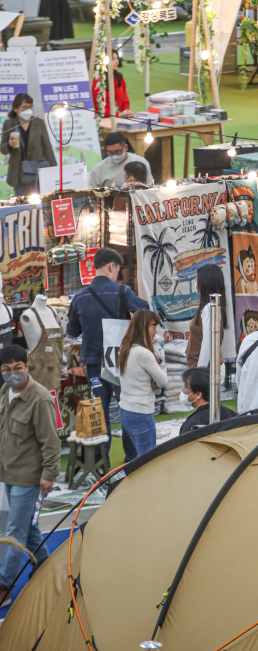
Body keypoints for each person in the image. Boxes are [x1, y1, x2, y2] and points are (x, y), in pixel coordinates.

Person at [66, 247, 149, 462]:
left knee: (99, 414)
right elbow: (145, 311)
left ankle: (101, 462)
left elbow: (73, 331)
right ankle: (132, 460)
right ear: (112, 266)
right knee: (128, 409)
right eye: (117, 269)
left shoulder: (79, 297)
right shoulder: (123, 292)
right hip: (121, 362)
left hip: (93, 363)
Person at [0, 344, 60, 606]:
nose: (12, 374)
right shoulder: (4, 392)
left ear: (27, 367)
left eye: (17, 368)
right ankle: (45, 563)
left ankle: (4, 583)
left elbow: (51, 441)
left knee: (14, 532)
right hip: (8, 473)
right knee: (27, 525)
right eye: (6, 370)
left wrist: (49, 474)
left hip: (29, 477)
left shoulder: (40, 398)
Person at [117, 310, 167, 459]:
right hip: (141, 412)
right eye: (153, 326)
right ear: (143, 327)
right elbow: (163, 381)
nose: (155, 331)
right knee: (147, 462)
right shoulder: (144, 353)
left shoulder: (125, 348)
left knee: (137, 460)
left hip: (125, 411)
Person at [0, 93, 55, 196]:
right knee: (22, 204)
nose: (28, 110)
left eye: (30, 107)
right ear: (16, 109)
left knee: (40, 203)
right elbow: (3, 149)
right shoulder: (9, 124)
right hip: (18, 173)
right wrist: (9, 144)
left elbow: (47, 147)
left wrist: (54, 168)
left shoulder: (39, 123)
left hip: (38, 170)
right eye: (24, 107)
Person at [188, 264, 229, 369]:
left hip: (204, 373)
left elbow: (208, 345)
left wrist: (199, 373)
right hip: (200, 370)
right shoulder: (209, 308)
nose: (195, 284)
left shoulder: (210, 309)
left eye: (197, 280)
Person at [178, 367, 236, 434]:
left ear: (198, 394)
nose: (183, 390)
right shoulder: (232, 415)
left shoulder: (191, 424)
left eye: (186, 386)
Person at [91, 51, 134, 119]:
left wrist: (126, 111)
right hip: (104, 119)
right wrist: (118, 114)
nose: (116, 61)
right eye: (113, 59)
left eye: (117, 59)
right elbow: (100, 108)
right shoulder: (98, 81)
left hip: (120, 118)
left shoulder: (120, 78)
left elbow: (125, 100)